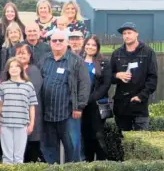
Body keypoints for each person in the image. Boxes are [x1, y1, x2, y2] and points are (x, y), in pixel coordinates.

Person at [37, 30, 90, 163]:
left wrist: (79, 107)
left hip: (69, 113)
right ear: (50, 43)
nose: (58, 43)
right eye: (54, 41)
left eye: (61, 40)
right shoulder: (44, 59)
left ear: (67, 42)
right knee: (49, 149)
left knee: (72, 148)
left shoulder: (76, 60)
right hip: (47, 114)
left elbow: (84, 84)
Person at [111, 22, 158, 131]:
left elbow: (153, 78)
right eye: (124, 33)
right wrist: (117, 75)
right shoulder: (117, 53)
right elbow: (109, 78)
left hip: (139, 105)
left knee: (141, 142)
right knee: (123, 142)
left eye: (129, 32)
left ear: (136, 34)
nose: (126, 36)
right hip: (121, 105)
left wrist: (141, 96)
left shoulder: (148, 52)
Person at [0, 58, 38, 164]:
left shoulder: (28, 85)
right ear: (8, 70)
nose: (14, 69)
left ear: (21, 69)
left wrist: (31, 124)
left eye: (16, 66)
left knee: (19, 156)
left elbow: (32, 106)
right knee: (7, 156)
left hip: (22, 123)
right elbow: (0, 105)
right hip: (5, 123)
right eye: (11, 67)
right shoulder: (3, 86)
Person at [81, 36, 112, 161]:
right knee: (86, 135)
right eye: (88, 44)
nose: (90, 47)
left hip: (97, 104)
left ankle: (102, 163)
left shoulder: (104, 62)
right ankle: (88, 163)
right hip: (82, 105)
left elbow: (106, 84)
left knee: (98, 135)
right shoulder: (79, 61)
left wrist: (92, 98)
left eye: (93, 45)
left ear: (98, 47)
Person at [12, 43, 44, 163]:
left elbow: (32, 92)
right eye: (18, 53)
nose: (21, 56)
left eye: (23, 53)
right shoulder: (12, 70)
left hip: (31, 113)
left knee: (31, 149)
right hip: (16, 115)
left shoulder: (33, 70)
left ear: (30, 55)